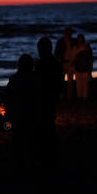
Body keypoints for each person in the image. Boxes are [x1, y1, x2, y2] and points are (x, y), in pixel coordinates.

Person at [5, 54, 40, 171]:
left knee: (18, 140)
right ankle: (31, 164)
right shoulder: (35, 78)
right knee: (31, 141)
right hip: (31, 113)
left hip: (18, 113)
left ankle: (19, 165)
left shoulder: (15, 78)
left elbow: (8, 96)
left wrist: (8, 112)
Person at [35, 37, 63, 168]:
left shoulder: (41, 63)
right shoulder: (56, 63)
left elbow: (38, 81)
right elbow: (59, 81)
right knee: (48, 124)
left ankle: (46, 154)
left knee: (44, 126)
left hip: (43, 97)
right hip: (50, 97)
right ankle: (50, 154)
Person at [55, 27, 76, 100]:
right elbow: (57, 53)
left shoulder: (74, 41)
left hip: (71, 63)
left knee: (70, 82)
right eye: (67, 33)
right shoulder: (60, 42)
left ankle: (69, 97)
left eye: (69, 33)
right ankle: (62, 96)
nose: (68, 34)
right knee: (61, 81)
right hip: (62, 63)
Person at [72, 34, 93, 101]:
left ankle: (83, 97)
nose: (80, 40)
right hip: (80, 67)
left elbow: (90, 58)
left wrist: (90, 68)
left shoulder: (85, 47)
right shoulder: (84, 47)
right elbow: (90, 58)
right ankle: (81, 97)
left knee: (83, 84)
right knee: (80, 83)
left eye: (80, 38)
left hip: (83, 67)